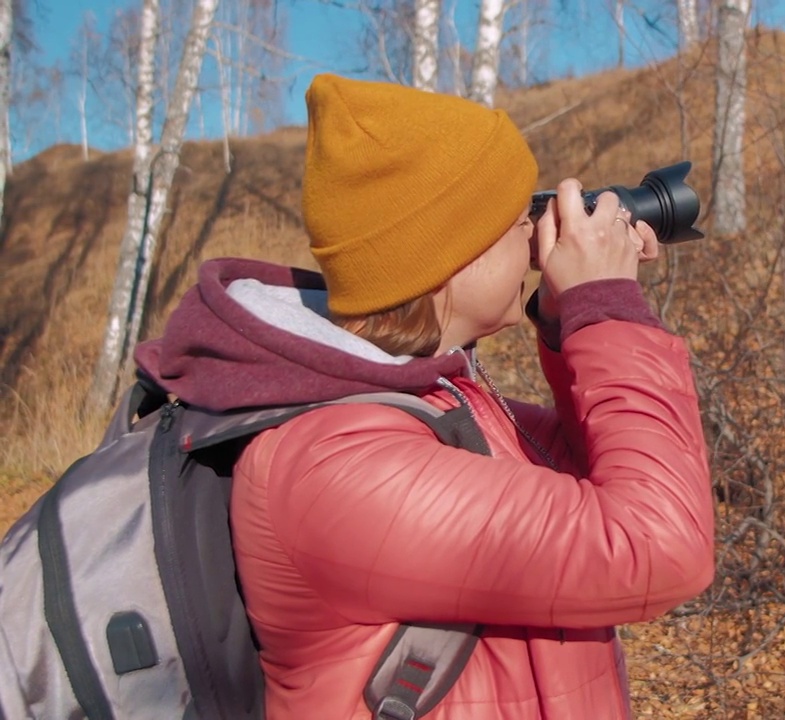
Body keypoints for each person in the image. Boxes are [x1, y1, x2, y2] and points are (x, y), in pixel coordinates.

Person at [133, 74, 715, 718]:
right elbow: (660, 545)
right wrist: (604, 307)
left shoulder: (429, 396)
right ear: (449, 257)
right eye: (516, 217)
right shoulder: (338, 464)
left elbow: (598, 475)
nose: (534, 236)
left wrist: (566, 323)